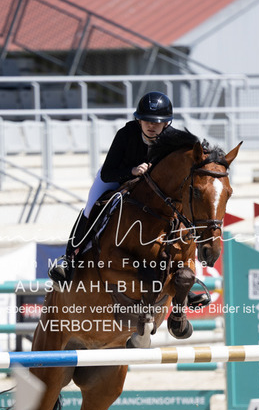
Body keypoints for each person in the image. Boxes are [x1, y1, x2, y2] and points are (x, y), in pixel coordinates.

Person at [48, 91, 209, 309]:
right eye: (146, 120)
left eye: (157, 122)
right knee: (91, 207)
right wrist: (132, 171)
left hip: (156, 191)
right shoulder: (126, 134)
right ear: (138, 120)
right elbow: (108, 173)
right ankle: (69, 261)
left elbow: (196, 153)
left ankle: (187, 284)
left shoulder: (175, 140)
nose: (151, 126)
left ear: (166, 123)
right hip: (118, 178)